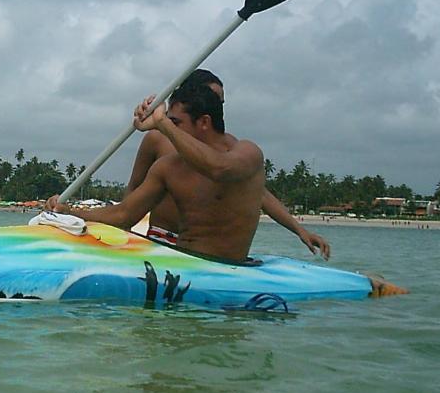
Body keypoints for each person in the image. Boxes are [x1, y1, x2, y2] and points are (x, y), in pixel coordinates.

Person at [125, 69, 331, 260]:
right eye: (214, 98)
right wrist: (123, 234)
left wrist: (299, 229)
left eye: (221, 102)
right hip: (162, 235)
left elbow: (260, 194)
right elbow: (134, 186)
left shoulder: (228, 149)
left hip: (201, 246)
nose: (217, 106)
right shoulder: (157, 139)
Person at [46, 81, 263, 262]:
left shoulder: (246, 153)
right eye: (168, 121)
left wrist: (161, 123)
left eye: (176, 122)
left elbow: (219, 169)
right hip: (180, 262)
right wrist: (69, 213)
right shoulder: (169, 166)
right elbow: (123, 215)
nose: (169, 128)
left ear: (204, 122)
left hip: (225, 269)